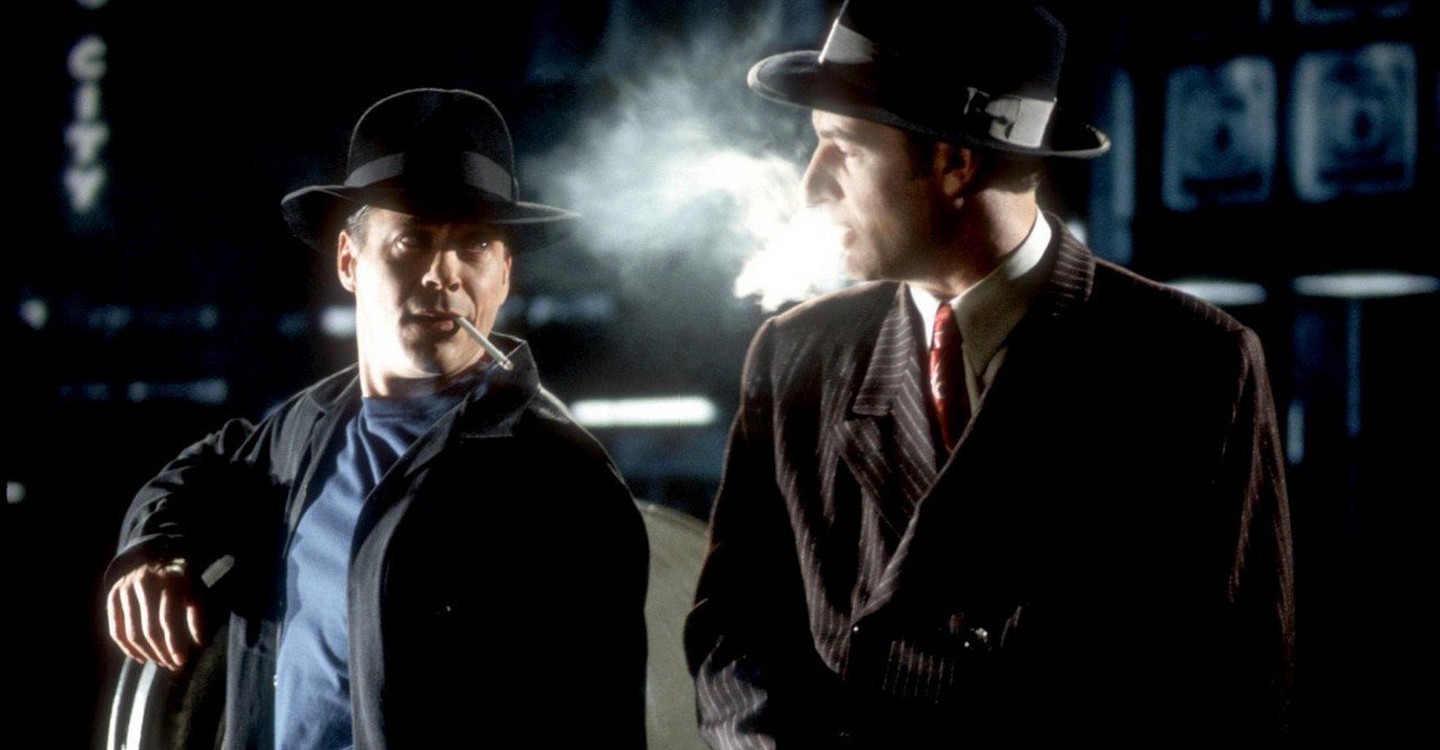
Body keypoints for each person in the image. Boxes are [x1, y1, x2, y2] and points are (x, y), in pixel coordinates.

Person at [684, 2, 1295, 746]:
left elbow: (1234, 689)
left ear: (954, 162)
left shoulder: (1190, 363)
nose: (813, 185)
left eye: (843, 147)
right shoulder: (798, 355)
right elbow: (737, 644)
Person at [105, 88, 649, 749]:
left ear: (504, 274)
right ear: (349, 261)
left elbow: (599, 726)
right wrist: (152, 554)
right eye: (411, 240)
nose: (443, 275)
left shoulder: (562, 479)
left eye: (474, 244)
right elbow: (192, 477)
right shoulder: (303, 432)